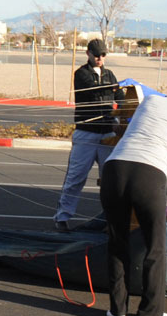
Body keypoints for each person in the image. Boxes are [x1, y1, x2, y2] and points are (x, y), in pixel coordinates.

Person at [100, 78, 167, 316]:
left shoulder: (149, 101)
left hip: (114, 169)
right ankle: (151, 311)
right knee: (155, 247)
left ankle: (117, 310)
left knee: (117, 242)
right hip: (149, 175)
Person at [53, 38, 125, 231]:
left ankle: (111, 220)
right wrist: (115, 90)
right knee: (76, 177)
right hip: (86, 134)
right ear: (88, 53)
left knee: (109, 180)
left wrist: (127, 102)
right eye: (96, 54)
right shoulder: (81, 74)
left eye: (103, 55)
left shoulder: (110, 74)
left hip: (107, 135)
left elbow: (121, 97)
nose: (100, 58)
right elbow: (95, 92)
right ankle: (62, 217)